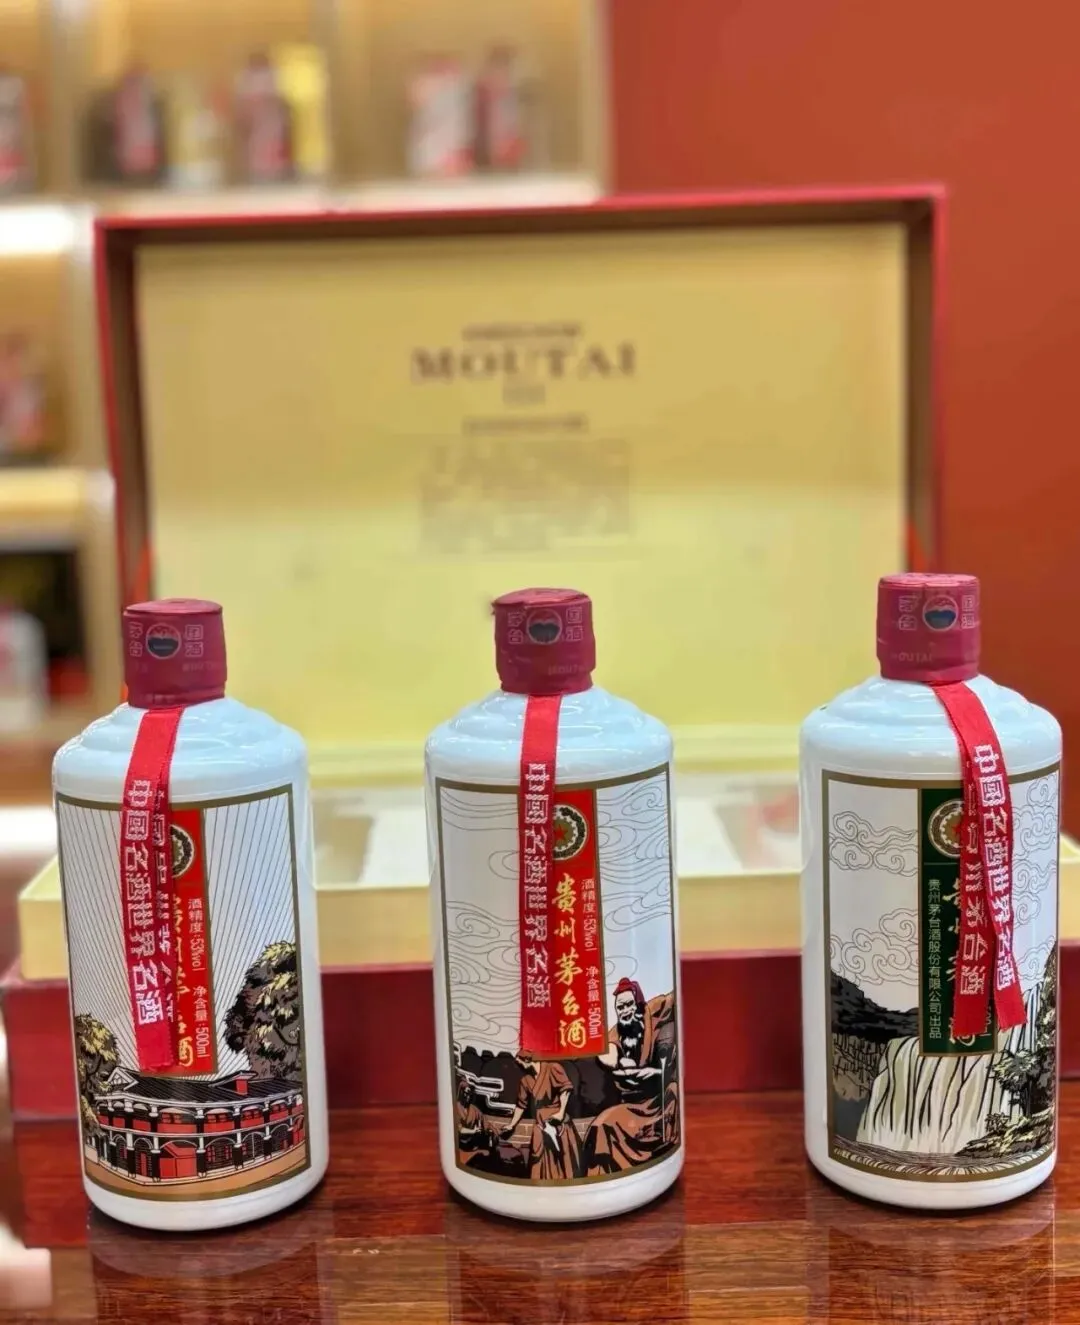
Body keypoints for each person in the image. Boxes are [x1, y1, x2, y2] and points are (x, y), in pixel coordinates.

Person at [582, 978, 679, 1176]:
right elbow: (607, 1051)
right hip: (633, 1106)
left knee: (674, 1091)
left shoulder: (653, 1010)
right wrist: (618, 1062)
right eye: (620, 1008)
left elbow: (674, 998)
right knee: (602, 1125)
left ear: (638, 1003)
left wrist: (655, 1072)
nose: (625, 1011)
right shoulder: (617, 1032)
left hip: (659, 1097)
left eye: (628, 1005)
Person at [501, 1051, 581, 1181]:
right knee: (539, 1158)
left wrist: (560, 1113)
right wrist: (512, 1124)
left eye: (520, 1063)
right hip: (540, 1124)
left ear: (527, 1060)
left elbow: (565, 1091)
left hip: (557, 1121)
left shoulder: (553, 1068)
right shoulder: (526, 1080)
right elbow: (521, 1105)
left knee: (564, 1158)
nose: (519, 1066)